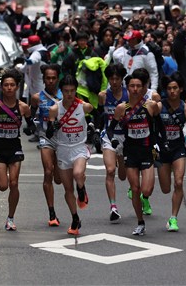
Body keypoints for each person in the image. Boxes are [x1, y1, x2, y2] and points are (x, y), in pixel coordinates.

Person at [111, 68, 161, 236]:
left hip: (147, 151)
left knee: (146, 190)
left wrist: (159, 143)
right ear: (127, 88)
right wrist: (114, 140)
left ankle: (143, 200)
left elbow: (159, 126)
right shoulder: (121, 108)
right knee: (135, 188)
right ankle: (140, 222)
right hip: (130, 152)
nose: (135, 89)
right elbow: (111, 129)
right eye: (132, 86)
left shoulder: (151, 105)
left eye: (138, 86)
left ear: (143, 88)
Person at [48, 75, 93, 236]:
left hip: (79, 147)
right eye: (66, 91)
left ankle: (82, 189)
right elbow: (49, 131)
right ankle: (75, 218)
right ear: (61, 91)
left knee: (78, 173)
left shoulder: (84, 107)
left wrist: (92, 130)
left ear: (76, 91)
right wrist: (53, 126)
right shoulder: (55, 109)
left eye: (72, 91)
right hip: (63, 149)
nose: (69, 94)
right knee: (68, 188)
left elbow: (93, 117)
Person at [0, 68, 29, 231]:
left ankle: (10, 218)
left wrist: (31, 128)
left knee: (14, 183)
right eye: (6, 85)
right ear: (1, 87)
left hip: (15, 148)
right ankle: (2, 174)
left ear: (17, 87)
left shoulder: (23, 107)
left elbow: (31, 122)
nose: (9, 88)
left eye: (12, 85)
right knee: (3, 186)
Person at [156, 73, 186, 232]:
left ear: (181, 89)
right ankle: (145, 196)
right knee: (165, 188)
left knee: (178, 182)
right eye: (169, 88)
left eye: (175, 88)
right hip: (163, 150)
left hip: (178, 149)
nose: (172, 91)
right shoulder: (159, 107)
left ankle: (173, 218)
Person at [31, 64, 63, 227]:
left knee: (59, 179)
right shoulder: (37, 98)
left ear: (58, 79)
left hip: (63, 140)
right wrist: (33, 127)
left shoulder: (66, 95)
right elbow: (32, 117)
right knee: (48, 172)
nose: (50, 81)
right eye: (48, 78)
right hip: (46, 138)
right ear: (43, 80)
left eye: (53, 78)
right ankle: (51, 212)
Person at [98, 63, 128, 223]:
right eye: (111, 79)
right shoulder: (103, 96)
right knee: (110, 170)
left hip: (127, 137)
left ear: (122, 79)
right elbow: (100, 115)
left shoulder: (129, 94)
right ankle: (113, 207)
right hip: (109, 136)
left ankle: (121, 159)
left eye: (117, 78)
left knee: (123, 176)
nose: (114, 82)